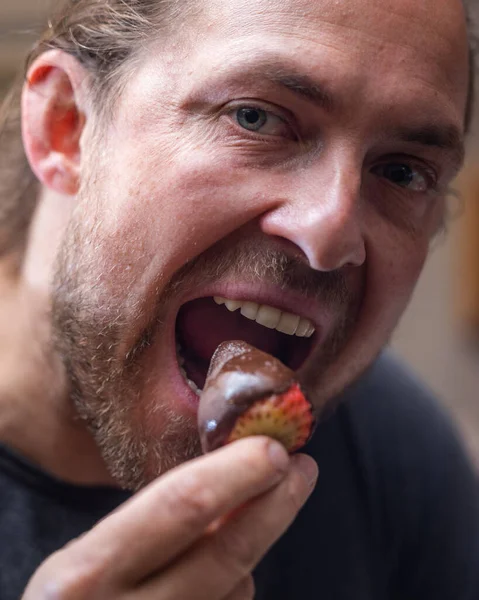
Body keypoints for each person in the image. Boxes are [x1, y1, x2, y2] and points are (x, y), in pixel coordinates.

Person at [0, 0, 477, 597]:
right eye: (254, 117)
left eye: (403, 172)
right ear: (67, 127)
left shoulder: (399, 460)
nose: (330, 231)